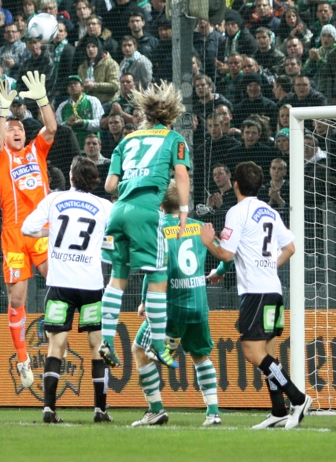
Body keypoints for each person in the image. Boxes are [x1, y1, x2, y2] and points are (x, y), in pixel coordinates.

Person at [202, 161, 312, 430]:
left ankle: (298, 398)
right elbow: (290, 248)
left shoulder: (237, 212)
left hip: (255, 292)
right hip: (272, 289)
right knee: (268, 353)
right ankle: (277, 410)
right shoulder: (270, 212)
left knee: (251, 350)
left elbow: (226, 253)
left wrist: (208, 242)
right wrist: (266, 265)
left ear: (235, 184)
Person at [100, 80, 190, 369]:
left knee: (117, 276)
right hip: (148, 210)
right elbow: (182, 174)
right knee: (158, 275)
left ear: (146, 114)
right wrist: (184, 210)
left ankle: (107, 340)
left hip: (118, 211)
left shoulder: (126, 141)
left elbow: (110, 184)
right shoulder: (175, 139)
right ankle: (160, 345)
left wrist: (133, 179)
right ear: (170, 114)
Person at [22, 156, 113, 424]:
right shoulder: (104, 206)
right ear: (95, 179)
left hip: (60, 283)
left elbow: (28, 227)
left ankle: (49, 409)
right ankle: (100, 410)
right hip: (91, 284)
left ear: (71, 177)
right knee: (97, 346)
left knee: (56, 344)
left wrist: (48, 235)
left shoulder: (54, 199)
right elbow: (114, 239)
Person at [131, 181, 221, 427]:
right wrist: (219, 271)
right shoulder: (200, 226)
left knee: (139, 350)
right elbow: (227, 254)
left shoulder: (158, 230)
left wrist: (143, 301)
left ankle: (156, 409)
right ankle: (213, 413)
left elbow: (153, 271)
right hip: (199, 304)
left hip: (170, 307)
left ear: (160, 206)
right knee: (201, 355)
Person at [0, 71, 57, 388]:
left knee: (57, 279)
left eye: (20, 128)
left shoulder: (35, 151)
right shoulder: (0, 158)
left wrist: (41, 99)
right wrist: (3, 111)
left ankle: (52, 324)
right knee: (17, 300)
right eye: (11, 129)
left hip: (41, 231)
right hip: (14, 235)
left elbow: (52, 127)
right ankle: (23, 359)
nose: (16, 131)